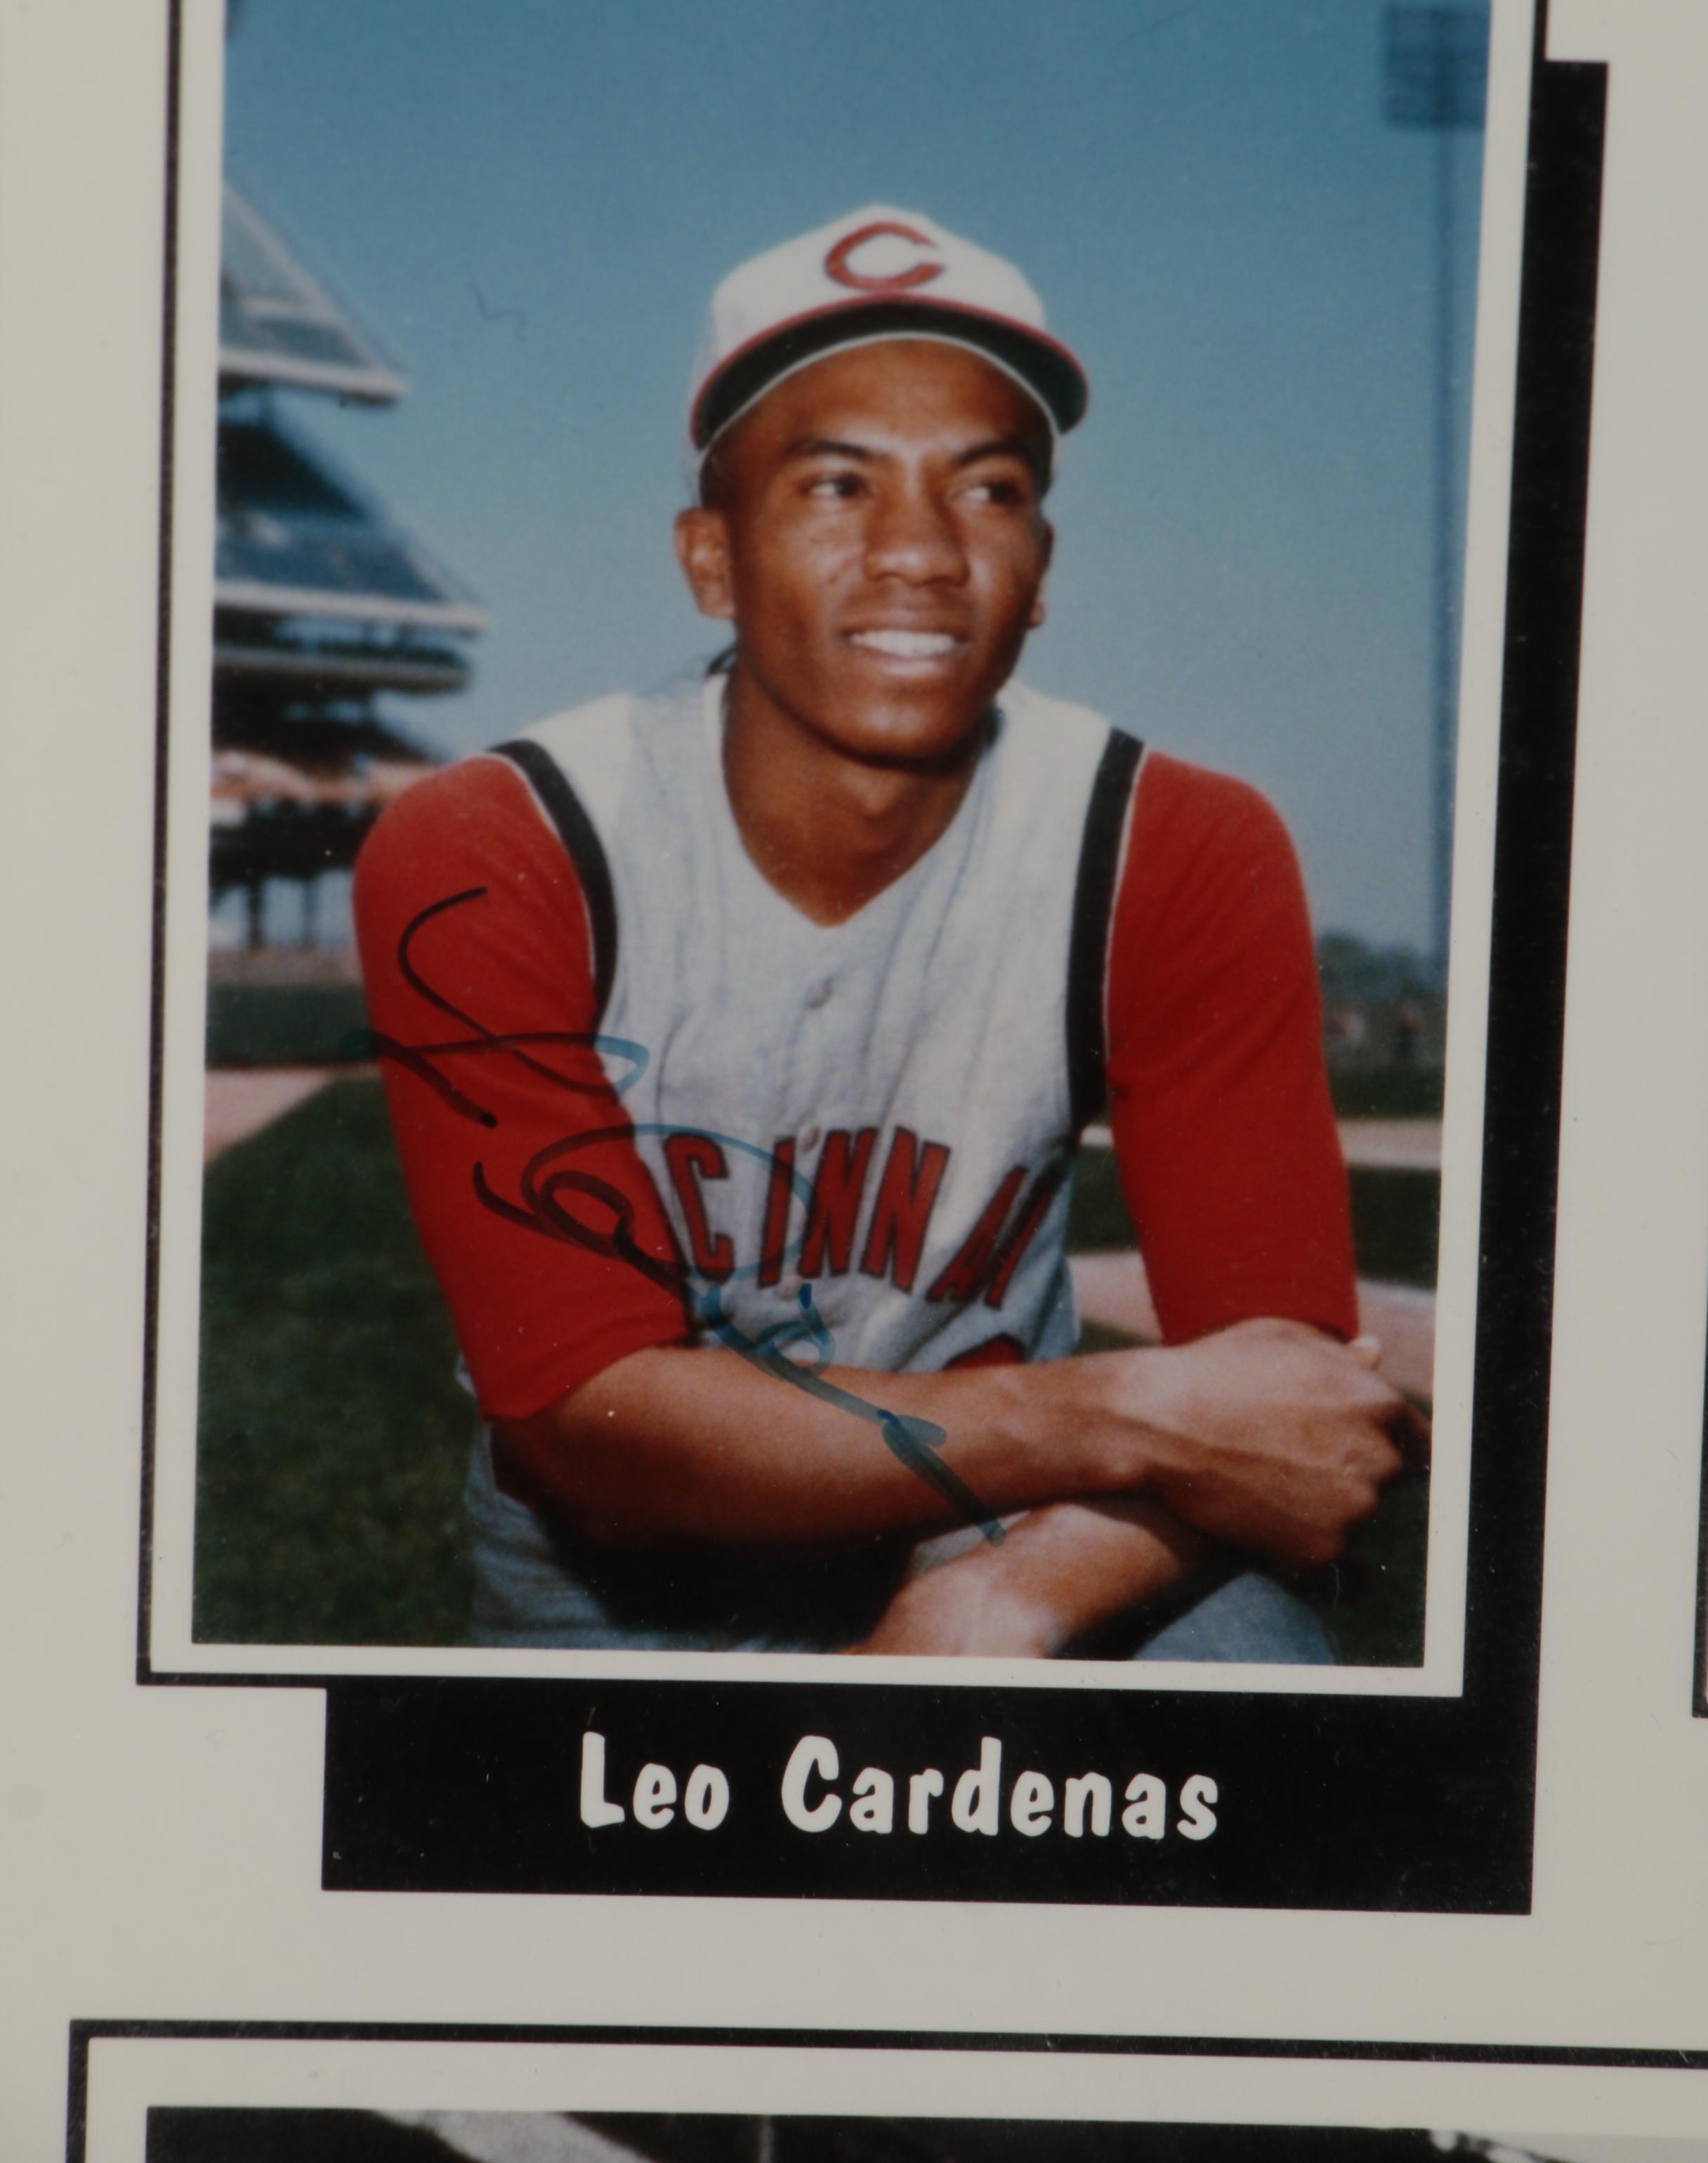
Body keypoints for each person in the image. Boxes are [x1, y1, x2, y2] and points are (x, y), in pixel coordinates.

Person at [353, 204, 1420, 1662]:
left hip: (1026, 1528)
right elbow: (589, 1437)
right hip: (640, 1583)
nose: (919, 552)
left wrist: (1001, 1601)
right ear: (711, 559)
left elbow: (1279, 1402)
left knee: (1259, 1679)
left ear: (1042, 569)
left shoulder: (1175, 843)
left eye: (986, 491)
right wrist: (1114, 1412)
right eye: (836, 485)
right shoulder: (502, 842)